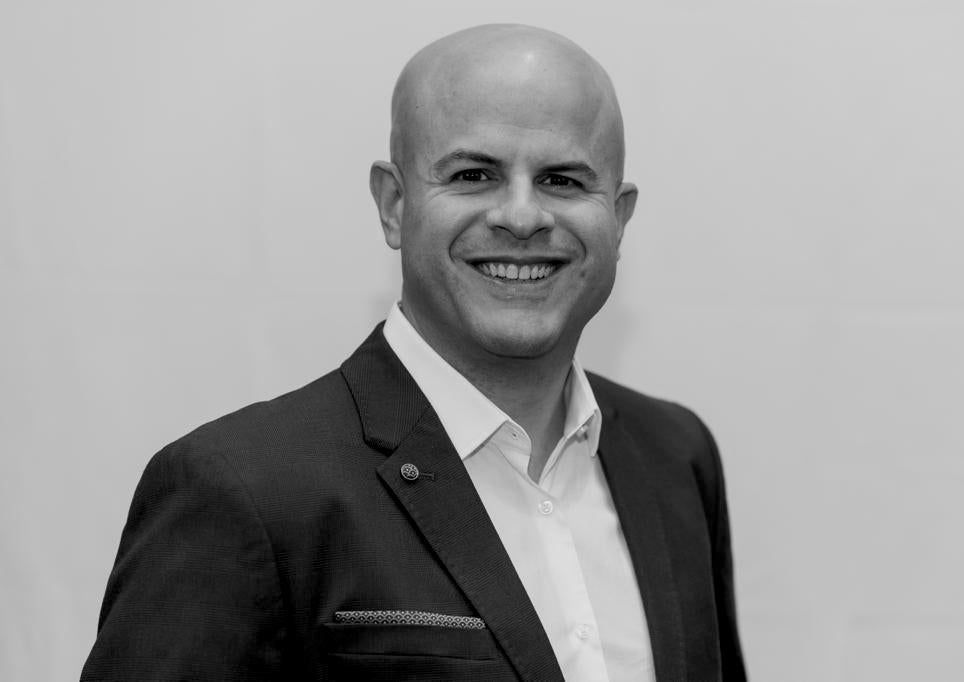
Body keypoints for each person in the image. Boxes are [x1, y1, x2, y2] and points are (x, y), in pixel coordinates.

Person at [82, 24, 745, 682]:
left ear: (620, 218)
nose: (521, 216)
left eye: (563, 180)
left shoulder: (675, 458)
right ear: (394, 204)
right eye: (474, 174)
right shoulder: (243, 492)